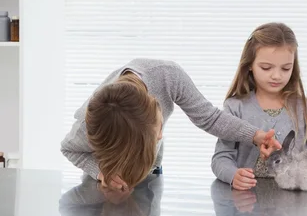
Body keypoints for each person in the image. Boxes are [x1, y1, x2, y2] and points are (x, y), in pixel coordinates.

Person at [60, 58, 282, 190]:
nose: (160, 138)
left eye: (160, 126)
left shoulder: (166, 76)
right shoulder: (88, 126)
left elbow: (209, 117)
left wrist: (256, 135)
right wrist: (100, 173)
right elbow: (69, 149)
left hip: (149, 174)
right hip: (107, 182)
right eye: (157, 132)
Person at [211, 23, 307, 190]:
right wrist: (233, 175)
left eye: (286, 68)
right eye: (266, 68)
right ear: (250, 64)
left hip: (294, 206)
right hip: (246, 206)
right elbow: (221, 157)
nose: (276, 76)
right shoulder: (235, 107)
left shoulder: (306, 109)